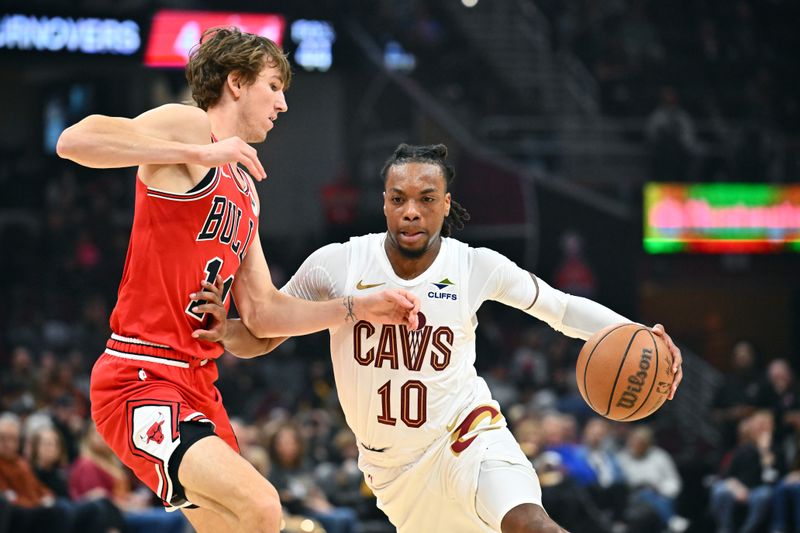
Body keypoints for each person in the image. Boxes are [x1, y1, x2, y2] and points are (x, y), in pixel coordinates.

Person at [197, 143, 684, 532]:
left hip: (467, 435)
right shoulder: (339, 263)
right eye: (398, 199)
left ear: (446, 204)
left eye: (426, 199)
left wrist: (636, 333)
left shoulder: (474, 266)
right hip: (394, 473)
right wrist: (226, 333)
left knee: (528, 522)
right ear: (384, 203)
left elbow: (560, 309)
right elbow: (263, 336)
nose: (412, 211)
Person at [56, 27, 419, 532]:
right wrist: (201, 154)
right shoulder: (190, 127)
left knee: (243, 523)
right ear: (236, 83)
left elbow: (264, 317)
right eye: (274, 86)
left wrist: (358, 308)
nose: (284, 104)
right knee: (263, 507)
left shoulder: (247, 186)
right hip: (140, 375)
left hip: (199, 384)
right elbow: (75, 141)